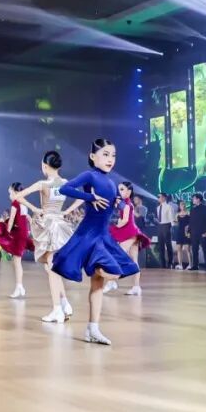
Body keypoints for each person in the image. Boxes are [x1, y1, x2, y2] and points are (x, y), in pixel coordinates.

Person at [51, 138, 139, 345]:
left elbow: (113, 203)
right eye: (105, 154)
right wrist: (90, 198)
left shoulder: (111, 181)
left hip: (103, 235)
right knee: (112, 273)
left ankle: (93, 329)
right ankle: (92, 267)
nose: (110, 159)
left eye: (113, 155)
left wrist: (118, 203)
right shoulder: (89, 175)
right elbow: (64, 189)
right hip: (90, 234)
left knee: (98, 285)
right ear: (93, 156)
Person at [11, 150, 80, 323]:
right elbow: (82, 198)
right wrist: (66, 211)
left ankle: (57, 309)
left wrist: (34, 209)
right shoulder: (65, 183)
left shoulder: (43, 184)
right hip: (60, 225)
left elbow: (17, 196)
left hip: (48, 225)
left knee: (51, 268)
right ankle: (64, 303)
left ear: (44, 165)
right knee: (53, 267)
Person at [0, 181, 37, 299]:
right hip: (23, 232)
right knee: (17, 261)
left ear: (14, 192)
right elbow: (25, 218)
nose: (9, 195)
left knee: (17, 261)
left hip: (18, 234)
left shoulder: (15, 202)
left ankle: (19, 287)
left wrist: (7, 233)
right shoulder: (23, 203)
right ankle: (19, 287)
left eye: (10, 192)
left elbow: (12, 219)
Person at [108, 181, 150, 296]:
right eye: (119, 189)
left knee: (118, 254)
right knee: (134, 260)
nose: (119, 191)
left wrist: (116, 225)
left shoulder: (127, 204)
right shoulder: (124, 203)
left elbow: (125, 220)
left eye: (122, 189)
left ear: (129, 192)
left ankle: (112, 281)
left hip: (130, 232)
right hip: (130, 232)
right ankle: (136, 287)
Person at [188, 193, 206, 272]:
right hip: (194, 232)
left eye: (194, 198)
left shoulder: (205, 208)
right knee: (194, 249)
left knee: (205, 249)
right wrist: (189, 231)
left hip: (203, 232)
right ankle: (195, 265)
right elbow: (191, 221)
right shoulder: (192, 209)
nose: (193, 200)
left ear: (198, 199)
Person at [156, 193, 176, 269]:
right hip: (160, 226)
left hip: (167, 225)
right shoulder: (158, 207)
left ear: (164, 198)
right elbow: (159, 218)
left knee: (168, 244)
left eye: (159, 197)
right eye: (158, 197)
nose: (158, 198)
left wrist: (172, 227)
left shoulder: (169, 207)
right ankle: (162, 264)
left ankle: (170, 262)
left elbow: (171, 218)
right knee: (160, 245)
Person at [174, 201, 191, 270]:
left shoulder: (188, 213)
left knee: (187, 249)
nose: (183, 206)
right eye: (181, 205)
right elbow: (175, 223)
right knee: (179, 248)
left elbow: (191, 222)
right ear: (179, 206)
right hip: (179, 232)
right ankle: (180, 264)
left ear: (185, 205)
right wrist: (175, 223)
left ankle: (190, 264)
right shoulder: (177, 214)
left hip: (186, 232)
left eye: (184, 205)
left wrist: (188, 230)